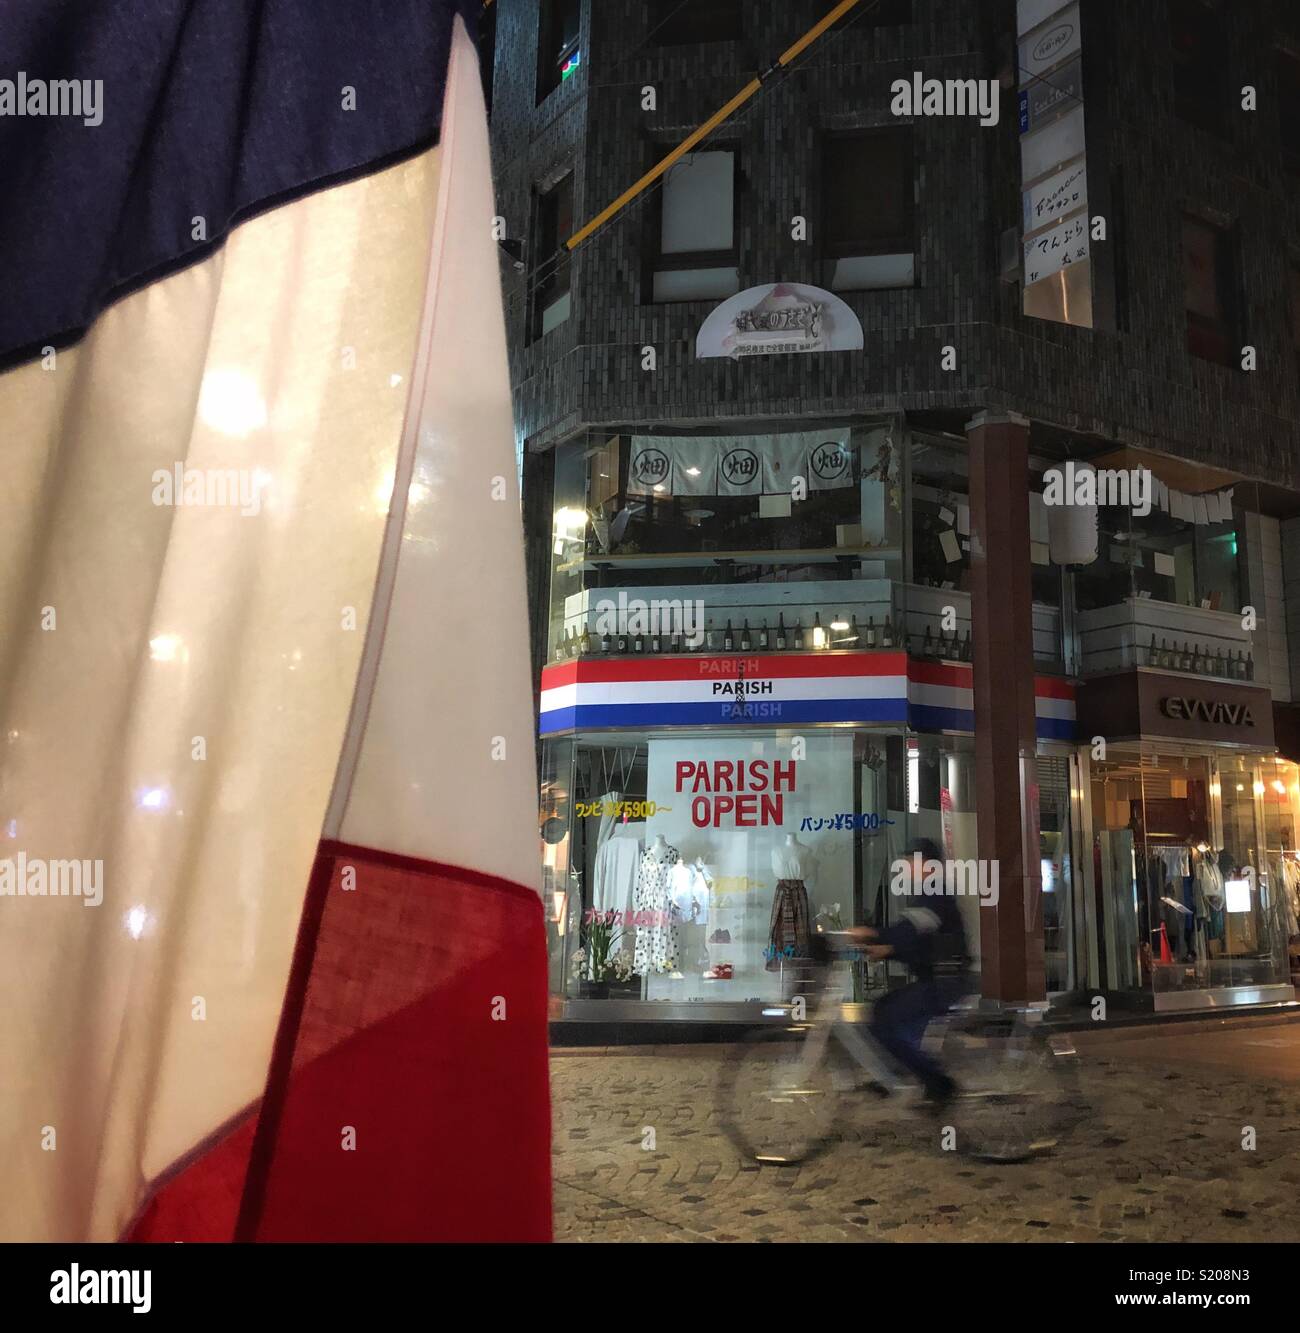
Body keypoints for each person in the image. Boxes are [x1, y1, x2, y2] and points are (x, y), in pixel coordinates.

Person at [844, 837, 970, 1112]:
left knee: (885, 1019)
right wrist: (887, 949)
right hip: (938, 978)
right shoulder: (930, 892)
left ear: (926, 863)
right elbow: (919, 940)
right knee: (887, 1014)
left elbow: (911, 930)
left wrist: (875, 935)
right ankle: (897, 1074)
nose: (906, 865)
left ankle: (939, 1085)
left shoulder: (935, 892)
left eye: (910, 859)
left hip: (945, 982)